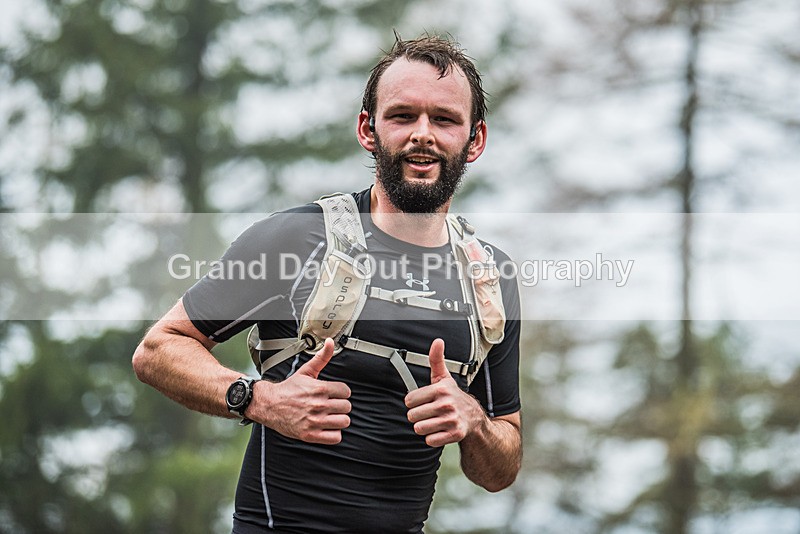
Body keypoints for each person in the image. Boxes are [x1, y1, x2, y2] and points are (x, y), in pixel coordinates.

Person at [133, 34, 522, 534]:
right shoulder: (297, 238)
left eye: (444, 119)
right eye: (402, 116)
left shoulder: (488, 278)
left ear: (475, 140)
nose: (422, 134)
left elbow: (500, 469)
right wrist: (260, 400)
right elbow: (159, 349)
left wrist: (474, 421)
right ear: (368, 129)